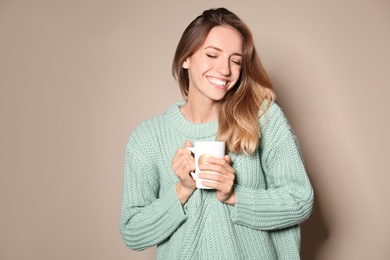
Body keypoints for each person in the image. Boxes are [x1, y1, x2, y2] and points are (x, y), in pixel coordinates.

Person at [120, 7, 313, 260]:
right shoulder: (147, 137)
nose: (224, 70)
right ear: (185, 59)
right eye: (212, 55)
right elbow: (133, 232)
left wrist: (234, 195)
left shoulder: (262, 119)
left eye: (235, 60)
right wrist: (182, 190)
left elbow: (300, 200)